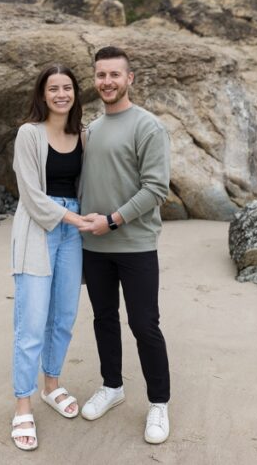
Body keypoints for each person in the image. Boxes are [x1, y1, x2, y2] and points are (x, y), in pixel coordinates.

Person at [77, 46, 172, 444]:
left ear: (130, 78)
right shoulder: (92, 129)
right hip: (93, 248)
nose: (107, 82)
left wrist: (112, 220)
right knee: (103, 319)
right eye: (101, 75)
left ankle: (159, 404)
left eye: (115, 75)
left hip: (134, 244)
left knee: (144, 324)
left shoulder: (148, 126)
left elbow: (156, 188)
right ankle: (112, 387)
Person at [8, 65, 92, 450]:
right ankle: (22, 403)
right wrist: (75, 218)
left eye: (68, 87)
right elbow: (30, 193)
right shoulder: (29, 133)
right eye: (53, 88)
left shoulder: (83, 135)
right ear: (42, 95)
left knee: (64, 316)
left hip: (73, 233)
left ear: (75, 93)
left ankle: (51, 385)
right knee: (31, 322)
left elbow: (91, 184)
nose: (61, 94)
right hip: (38, 231)